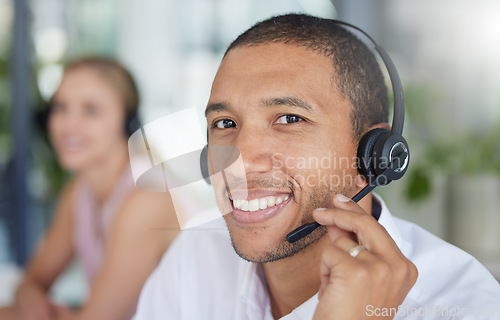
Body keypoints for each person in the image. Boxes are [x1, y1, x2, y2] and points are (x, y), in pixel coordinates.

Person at [134, 14, 500, 320]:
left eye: (289, 118)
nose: (239, 160)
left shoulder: (463, 306)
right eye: (225, 123)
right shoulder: (195, 256)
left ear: (373, 156)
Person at [0, 57, 179, 320]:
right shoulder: (80, 192)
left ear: (128, 122)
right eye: (61, 108)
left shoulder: (147, 197)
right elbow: (32, 281)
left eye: (91, 110)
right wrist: (34, 305)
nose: (68, 125)